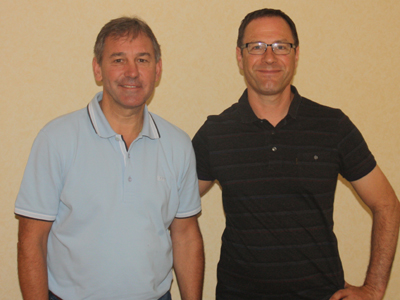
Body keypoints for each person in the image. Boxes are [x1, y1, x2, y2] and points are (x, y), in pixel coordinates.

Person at [192, 8, 400, 300]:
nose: (269, 57)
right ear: (240, 57)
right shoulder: (216, 133)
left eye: (281, 47)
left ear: (296, 55)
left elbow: (387, 204)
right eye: (256, 47)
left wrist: (374, 288)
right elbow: (175, 206)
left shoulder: (333, 126)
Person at [15, 17, 204, 300]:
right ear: (98, 69)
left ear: (158, 69)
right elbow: (31, 240)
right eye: (118, 60)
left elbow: (186, 236)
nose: (132, 72)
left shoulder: (177, 144)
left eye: (142, 60)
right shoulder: (57, 139)